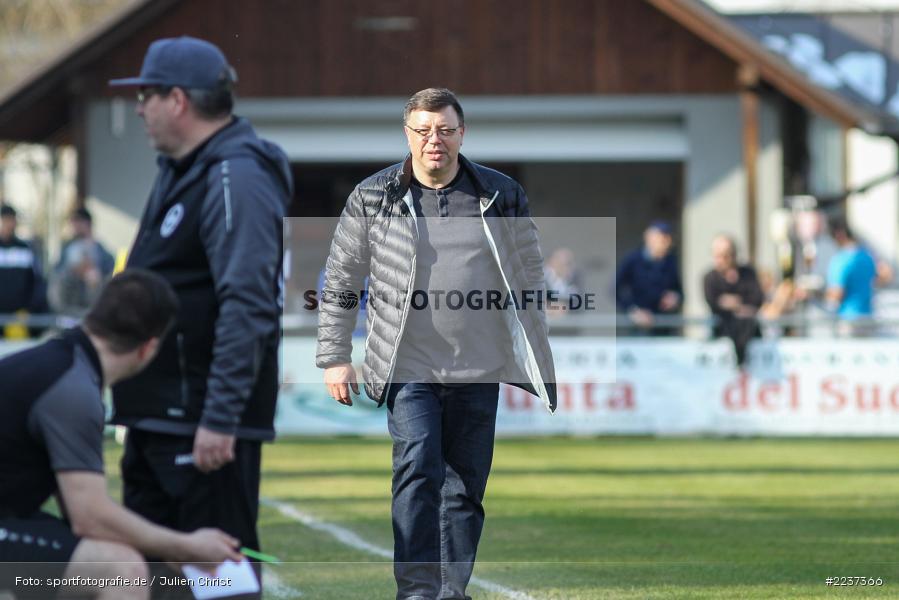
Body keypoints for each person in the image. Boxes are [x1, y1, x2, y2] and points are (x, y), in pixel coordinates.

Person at [316, 88, 556, 600]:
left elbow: (529, 267)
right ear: (407, 135)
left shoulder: (500, 192)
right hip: (407, 366)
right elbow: (341, 277)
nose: (434, 141)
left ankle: (451, 592)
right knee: (419, 469)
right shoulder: (373, 195)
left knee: (465, 489)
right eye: (423, 130)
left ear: (461, 134)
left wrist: (530, 327)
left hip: (480, 367)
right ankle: (418, 591)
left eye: (445, 130)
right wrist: (335, 356)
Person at [106, 36, 292, 596]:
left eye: (146, 94)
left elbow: (248, 303)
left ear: (178, 100)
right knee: (159, 582)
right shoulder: (185, 169)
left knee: (219, 585)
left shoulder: (236, 175)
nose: (138, 108)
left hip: (199, 427)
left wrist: (220, 416)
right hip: (162, 419)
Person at [0, 269, 242, 600]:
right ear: (149, 348)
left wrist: (164, 547)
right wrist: (186, 546)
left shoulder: (61, 362)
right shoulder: (74, 391)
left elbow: (78, 514)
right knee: (121, 570)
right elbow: (89, 517)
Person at [703, 234, 764, 366]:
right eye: (718, 255)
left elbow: (757, 299)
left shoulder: (748, 273)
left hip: (751, 335)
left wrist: (733, 303)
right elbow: (713, 302)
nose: (722, 259)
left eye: (726, 255)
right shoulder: (710, 277)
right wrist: (741, 304)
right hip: (723, 333)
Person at [614, 220, 683, 335]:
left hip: (663, 326)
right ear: (649, 238)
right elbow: (616, 289)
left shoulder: (671, 261)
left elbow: (679, 291)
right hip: (639, 328)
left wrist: (675, 298)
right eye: (662, 239)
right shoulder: (633, 260)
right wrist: (634, 311)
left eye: (668, 239)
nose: (666, 243)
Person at [50, 207, 116, 316]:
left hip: (94, 312)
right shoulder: (65, 250)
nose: (74, 226)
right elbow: (55, 279)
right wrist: (72, 273)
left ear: (88, 223)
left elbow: (110, 278)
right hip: (68, 312)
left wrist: (96, 280)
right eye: (72, 222)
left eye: (78, 221)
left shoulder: (102, 252)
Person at [0, 204, 49, 336]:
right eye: (6, 220)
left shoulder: (25, 249)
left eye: (12, 220)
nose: (9, 224)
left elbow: (37, 281)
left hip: (19, 317)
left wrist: (30, 309)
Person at [826, 215, 878, 337]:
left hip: (848, 318)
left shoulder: (841, 259)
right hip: (868, 316)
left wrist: (818, 295)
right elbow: (880, 278)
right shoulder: (867, 256)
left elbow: (836, 293)